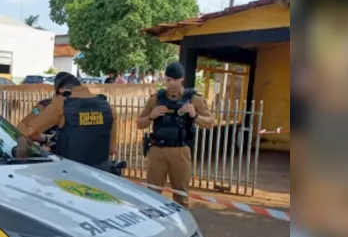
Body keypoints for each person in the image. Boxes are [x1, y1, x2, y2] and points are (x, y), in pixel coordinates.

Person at [136, 62, 215, 207]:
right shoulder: (155, 99)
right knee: (153, 194)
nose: (171, 83)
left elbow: (210, 122)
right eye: (168, 80)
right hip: (157, 150)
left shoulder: (194, 99)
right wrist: (151, 116)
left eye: (175, 80)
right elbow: (140, 123)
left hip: (180, 150)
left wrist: (194, 115)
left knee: (181, 195)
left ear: (182, 79)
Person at [17, 73, 118, 172]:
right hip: (101, 174)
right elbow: (111, 150)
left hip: (70, 172)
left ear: (61, 90)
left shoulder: (60, 104)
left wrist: (43, 140)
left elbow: (26, 132)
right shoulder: (107, 106)